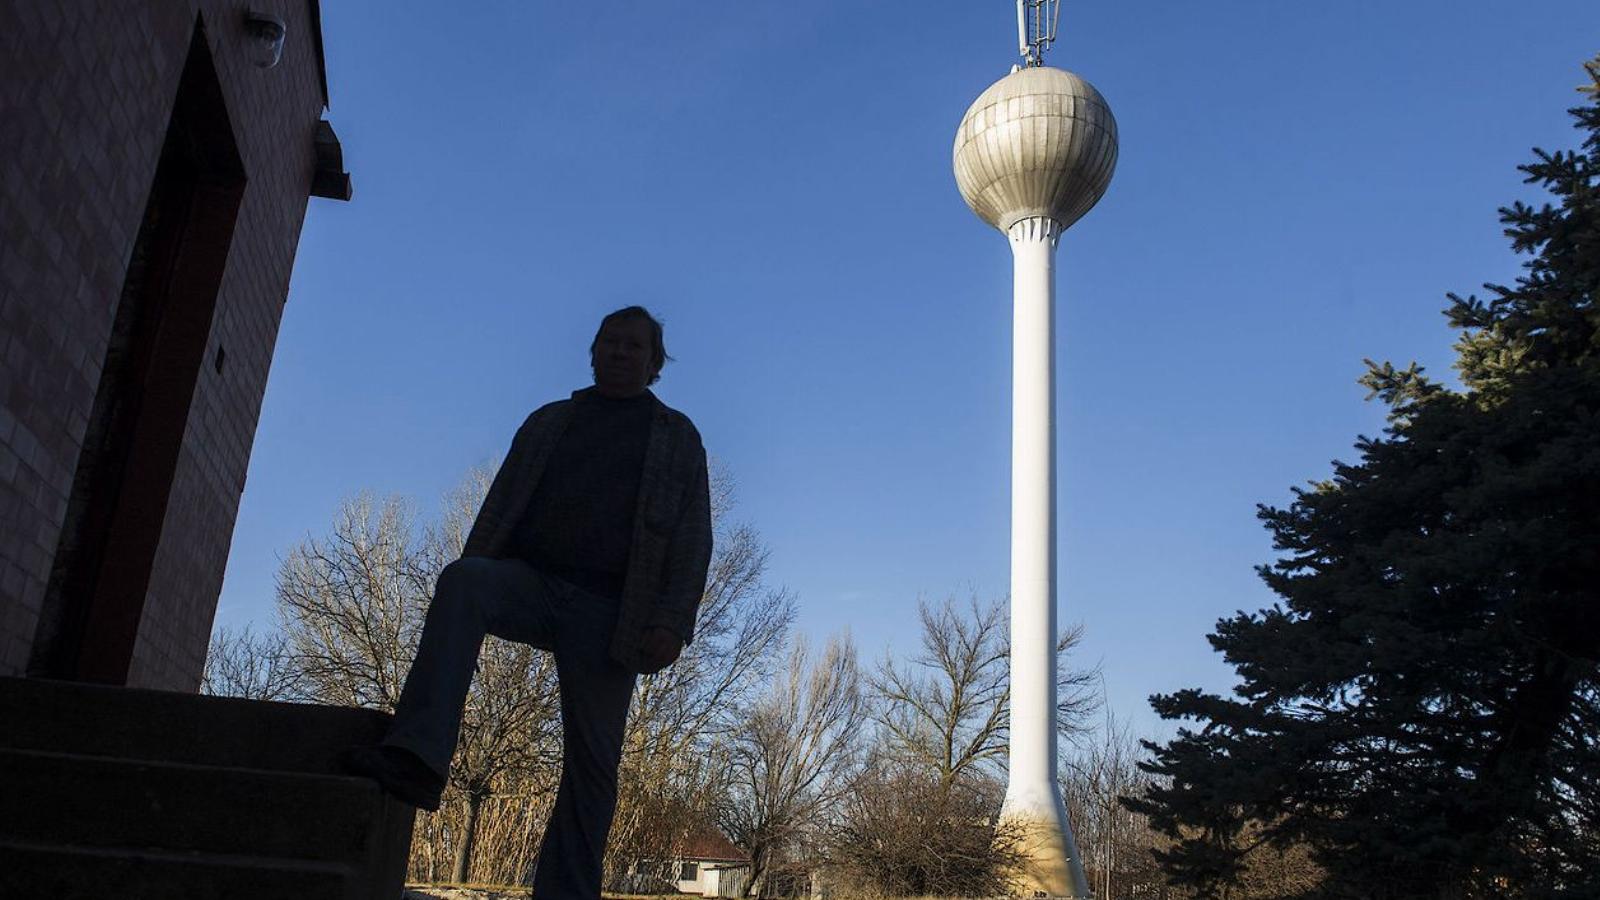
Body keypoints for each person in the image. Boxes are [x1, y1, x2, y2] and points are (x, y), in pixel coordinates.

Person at [342, 306, 713, 899]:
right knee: (464, 581)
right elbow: (498, 506)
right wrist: (477, 562)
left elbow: (693, 539)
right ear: (593, 351)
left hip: (609, 613)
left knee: (593, 767)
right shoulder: (549, 422)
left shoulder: (676, 438)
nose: (619, 352)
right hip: (532, 586)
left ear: (654, 363)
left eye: (633, 346)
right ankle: (418, 757)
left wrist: (671, 621)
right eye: (609, 341)